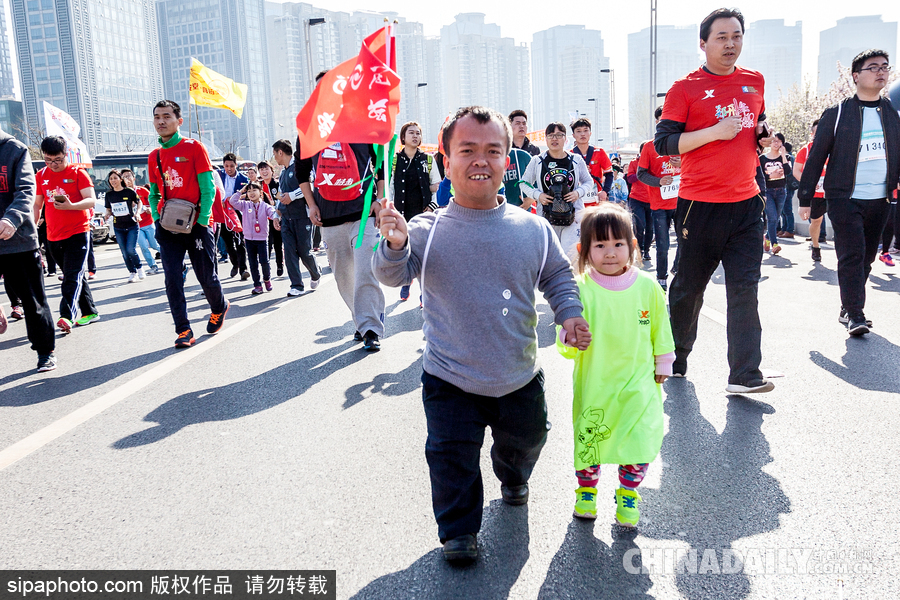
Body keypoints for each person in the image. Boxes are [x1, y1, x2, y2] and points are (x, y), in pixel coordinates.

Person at [373, 105, 591, 563]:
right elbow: (393, 276)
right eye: (466, 150)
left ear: (506, 160)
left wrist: (570, 313)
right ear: (446, 161)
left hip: (518, 375)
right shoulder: (424, 230)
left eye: (492, 151)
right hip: (449, 377)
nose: (480, 160)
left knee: (528, 440)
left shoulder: (531, 228)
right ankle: (458, 531)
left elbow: (556, 276)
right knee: (451, 457)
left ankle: (513, 475)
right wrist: (394, 244)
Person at [655, 7, 775, 393]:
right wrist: (713, 132)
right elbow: (665, 144)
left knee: (745, 288)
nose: (730, 44)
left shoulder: (754, 81)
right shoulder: (684, 89)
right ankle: (674, 358)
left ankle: (744, 375)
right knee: (689, 288)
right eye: (721, 37)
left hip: (746, 204)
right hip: (699, 205)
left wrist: (763, 140)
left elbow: (756, 126)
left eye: (736, 36)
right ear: (703, 44)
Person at [558, 203, 674, 525]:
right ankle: (587, 492)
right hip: (596, 385)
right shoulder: (580, 289)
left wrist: (664, 360)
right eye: (600, 245)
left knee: (638, 440)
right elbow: (565, 336)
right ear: (584, 250)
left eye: (618, 244)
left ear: (632, 246)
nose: (610, 253)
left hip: (638, 384)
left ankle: (628, 494)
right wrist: (569, 339)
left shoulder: (647, 287)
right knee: (590, 440)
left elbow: (660, 328)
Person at [797, 49, 900, 336]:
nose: (881, 72)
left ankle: (848, 305)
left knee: (866, 257)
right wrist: (805, 198)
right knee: (852, 254)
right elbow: (816, 157)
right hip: (844, 197)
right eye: (873, 67)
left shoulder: (892, 114)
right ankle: (855, 313)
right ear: (856, 76)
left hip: (880, 198)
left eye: (885, 67)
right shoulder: (838, 113)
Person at [298, 71, 386, 351]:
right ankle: (360, 320)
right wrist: (311, 205)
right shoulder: (309, 129)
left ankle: (371, 327)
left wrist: (380, 201)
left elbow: (381, 166)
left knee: (366, 272)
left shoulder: (364, 125)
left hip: (364, 215)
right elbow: (302, 173)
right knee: (344, 276)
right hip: (329, 217)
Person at [148, 100, 229, 349]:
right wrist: (156, 218)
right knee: (172, 279)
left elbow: (207, 187)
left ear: (179, 121)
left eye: (166, 116)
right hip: (168, 228)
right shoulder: (154, 156)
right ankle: (183, 329)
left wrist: (203, 220)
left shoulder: (194, 148)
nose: (161, 121)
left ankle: (219, 306)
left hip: (197, 225)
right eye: (157, 117)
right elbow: (153, 193)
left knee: (207, 278)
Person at [0, 127, 56, 371]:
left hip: (18, 241)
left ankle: (45, 352)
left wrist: (11, 219)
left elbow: (25, 191)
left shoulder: (15, 150)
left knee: (33, 302)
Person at [33, 135, 99, 332]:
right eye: (48, 160)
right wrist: (33, 227)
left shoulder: (78, 173)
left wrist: (72, 206)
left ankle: (66, 315)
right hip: (53, 235)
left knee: (71, 276)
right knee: (75, 275)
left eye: (58, 160)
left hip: (78, 231)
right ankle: (90, 312)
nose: (53, 164)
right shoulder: (41, 175)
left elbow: (91, 200)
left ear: (66, 155)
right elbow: (37, 204)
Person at [520, 122, 593, 258]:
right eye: (551, 135)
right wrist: (538, 195)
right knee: (549, 257)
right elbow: (523, 183)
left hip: (574, 217)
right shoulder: (537, 161)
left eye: (559, 135)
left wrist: (578, 193)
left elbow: (589, 181)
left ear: (565, 139)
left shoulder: (576, 160)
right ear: (546, 139)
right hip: (547, 217)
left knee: (570, 256)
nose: (555, 139)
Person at [390, 121, 441, 302]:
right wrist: (391, 210)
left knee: (423, 254)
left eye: (418, 133)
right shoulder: (394, 161)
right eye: (411, 133)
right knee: (405, 251)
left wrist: (432, 207)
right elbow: (390, 189)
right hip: (402, 215)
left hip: (423, 215)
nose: (415, 136)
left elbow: (437, 186)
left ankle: (423, 293)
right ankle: (406, 281)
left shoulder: (427, 159)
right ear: (403, 137)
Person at [638, 106, 682, 290]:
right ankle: (661, 278)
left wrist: (683, 163)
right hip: (659, 205)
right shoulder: (649, 146)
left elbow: (698, 169)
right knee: (662, 244)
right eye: (662, 119)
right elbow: (641, 174)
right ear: (657, 122)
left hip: (681, 201)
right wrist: (658, 181)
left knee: (685, 240)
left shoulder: (685, 142)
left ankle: (678, 268)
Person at [272, 138, 321, 297]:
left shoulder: (299, 166)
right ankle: (297, 285)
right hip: (287, 218)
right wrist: (276, 214)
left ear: (280, 152)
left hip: (303, 216)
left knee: (305, 251)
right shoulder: (284, 172)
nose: (275, 158)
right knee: (290, 253)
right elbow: (280, 195)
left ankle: (315, 273)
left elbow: (310, 185)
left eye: (275, 154)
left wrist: (292, 196)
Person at [229, 182, 277, 294]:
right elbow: (232, 201)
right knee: (252, 263)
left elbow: (273, 213)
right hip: (249, 240)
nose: (251, 193)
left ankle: (267, 278)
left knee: (264, 262)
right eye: (249, 191)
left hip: (262, 239)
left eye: (254, 190)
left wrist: (276, 218)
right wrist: (241, 191)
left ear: (260, 193)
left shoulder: (265, 206)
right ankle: (257, 285)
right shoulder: (245, 205)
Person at [794, 120, 829, 262]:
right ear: (812, 134)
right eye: (816, 132)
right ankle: (816, 246)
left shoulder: (833, 148)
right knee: (816, 221)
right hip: (815, 194)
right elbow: (796, 171)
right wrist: (809, 183)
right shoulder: (805, 150)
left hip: (831, 192)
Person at [104, 169, 144, 282]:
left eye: (115, 178)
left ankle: (140, 267)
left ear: (121, 179)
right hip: (118, 227)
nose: (113, 181)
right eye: (111, 179)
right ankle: (132, 272)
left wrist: (137, 213)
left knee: (131, 250)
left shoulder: (129, 191)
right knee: (125, 252)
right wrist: (107, 215)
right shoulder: (109, 195)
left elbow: (139, 202)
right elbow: (108, 209)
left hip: (132, 225)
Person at [216, 153, 249, 280]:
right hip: (223, 213)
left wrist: (237, 198)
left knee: (240, 241)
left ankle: (243, 269)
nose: (229, 168)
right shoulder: (218, 176)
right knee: (228, 243)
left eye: (231, 166)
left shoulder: (243, 179)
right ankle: (235, 263)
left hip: (237, 214)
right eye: (226, 166)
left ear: (236, 165)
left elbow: (249, 194)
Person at [123, 170, 160, 274]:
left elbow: (154, 201)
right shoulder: (123, 193)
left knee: (155, 244)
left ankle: (174, 259)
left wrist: (150, 209)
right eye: (124, 177)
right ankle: (153, 266)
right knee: (143, 247)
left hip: (148, 223)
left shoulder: (142, 190)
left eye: (129, 176)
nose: (127, 179)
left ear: (134, 178)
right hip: (135, 225)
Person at [570, 117, 614, 206]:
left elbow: (609, 174)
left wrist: (605, 191)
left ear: (590, 133)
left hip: (596, 199)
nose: (582, 134)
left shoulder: (600, 152)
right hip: (576, 200)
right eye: (578, 131)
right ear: (573, 135)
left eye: (585, 130)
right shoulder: (569, 155)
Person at [759, 132, 790, 255]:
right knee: (772, 218)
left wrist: (783, 156)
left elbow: (788, 172)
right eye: (774, 141)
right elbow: (759, 176)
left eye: (779, 141)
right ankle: (775, 244)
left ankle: (767, 237)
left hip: (781, 191)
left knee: (776, 218)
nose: (776, 143)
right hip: (768, 192)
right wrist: (762, 192)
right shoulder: (762, 158)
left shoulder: (784, 157)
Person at [626, 151, 654, 261]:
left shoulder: (654, 162)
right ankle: (639, 249)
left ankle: (647, 250)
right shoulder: (634, 162)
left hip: (652, 199)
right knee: (639, 225)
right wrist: (641, 172)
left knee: (650, 227)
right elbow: (630, 179)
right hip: (636, 199)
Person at [259, 160, 283, 277]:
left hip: (277, 217)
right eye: (261, 169)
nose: (264, 171)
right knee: (266, 243)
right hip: (263, 219)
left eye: (266, 169)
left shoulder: (277, 184)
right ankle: (266, 267)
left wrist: (275, 205)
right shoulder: (258, 185)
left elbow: (281, 199)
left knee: (278, 243)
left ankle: (280, 264)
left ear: (272, 171)